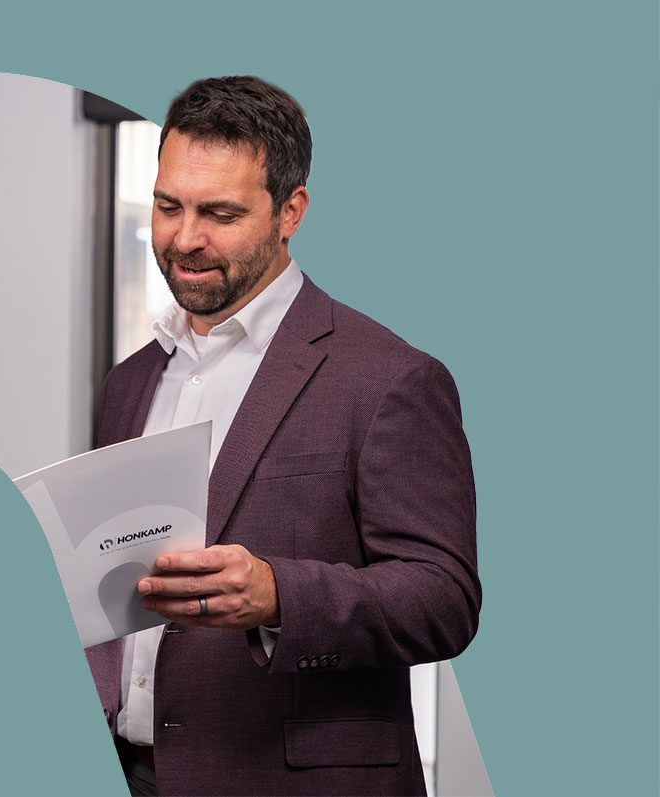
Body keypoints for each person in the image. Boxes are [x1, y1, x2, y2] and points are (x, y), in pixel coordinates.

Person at [85, 77, 481, 796]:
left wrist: (279, 595)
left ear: (290, 211)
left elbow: (444, 599)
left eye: (221, 213)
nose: (184, 238)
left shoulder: (390, 377)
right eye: (169, 206)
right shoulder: (128, 382)